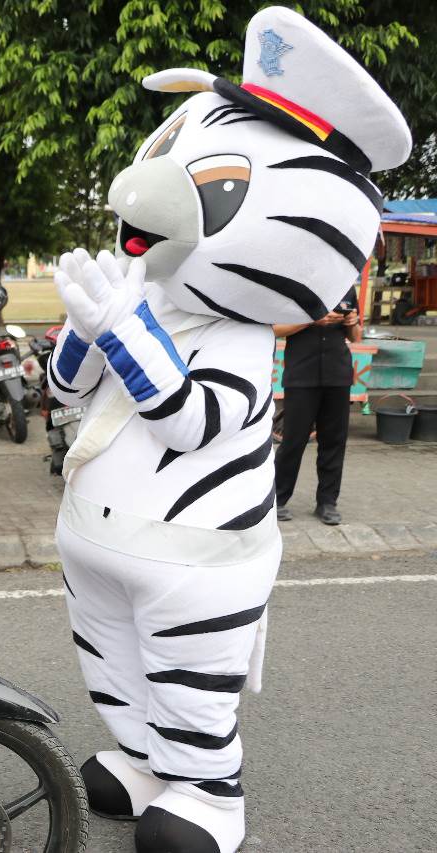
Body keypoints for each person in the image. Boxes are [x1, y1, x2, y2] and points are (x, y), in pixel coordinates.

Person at [46, 8, 409, 852]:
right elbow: (68, 393)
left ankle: (207, 792)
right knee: (114, 668)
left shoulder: (242, 333)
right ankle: (141, 761)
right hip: (94, 538)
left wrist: (123, 328)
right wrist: (85, 325)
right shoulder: (148, 295)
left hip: (195, 553)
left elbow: (190, 421)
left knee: (188, 684)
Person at [274, 286, 363, 525]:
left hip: (338, 376)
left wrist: (352, 322)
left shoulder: (346, 288)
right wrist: (313, 321)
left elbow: (356, 337)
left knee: (334, 442)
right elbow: (275, 329)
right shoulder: (294, 287)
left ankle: (327, 502)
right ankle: (277, 499)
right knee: (293, 441)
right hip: (302, 375)